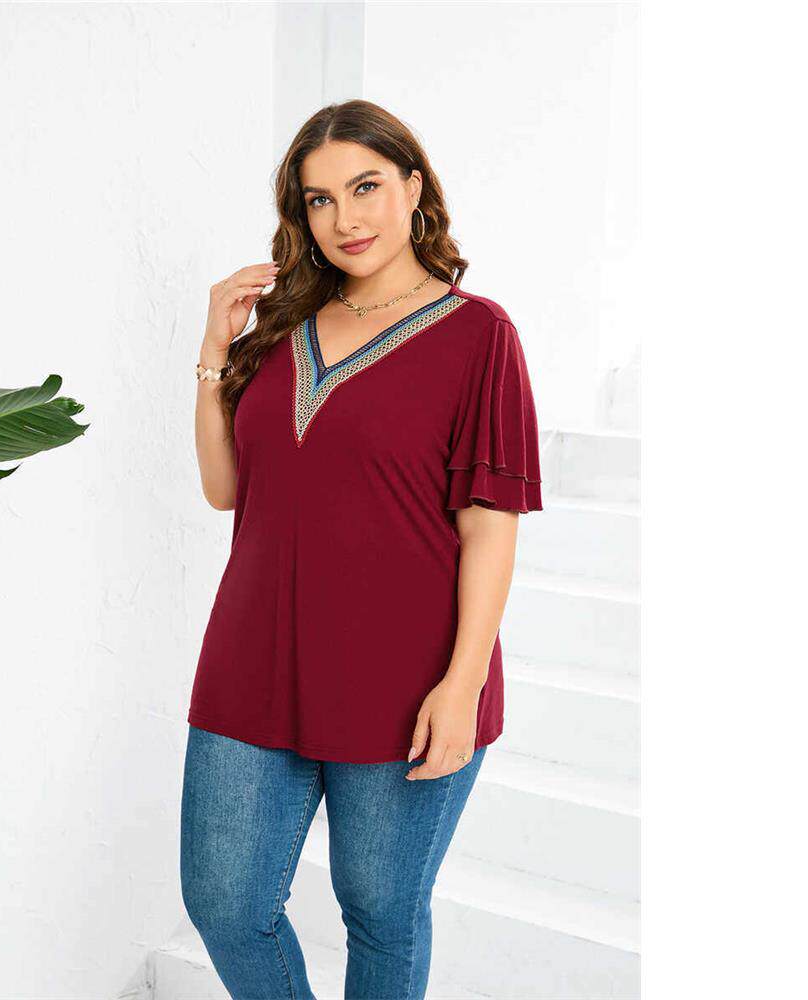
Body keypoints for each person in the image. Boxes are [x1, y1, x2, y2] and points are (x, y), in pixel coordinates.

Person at [180, 99, 544, 999]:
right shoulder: (281, 328)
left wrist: (462, 685)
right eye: (320, 199)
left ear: (414, 187)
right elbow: (226, 490)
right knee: (225, 904)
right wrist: (214, 355)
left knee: (379, 912)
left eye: (367, 186)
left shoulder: (479, 335)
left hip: (405, 678)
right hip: (254, 662)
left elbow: (488, 526)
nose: (345, 218)